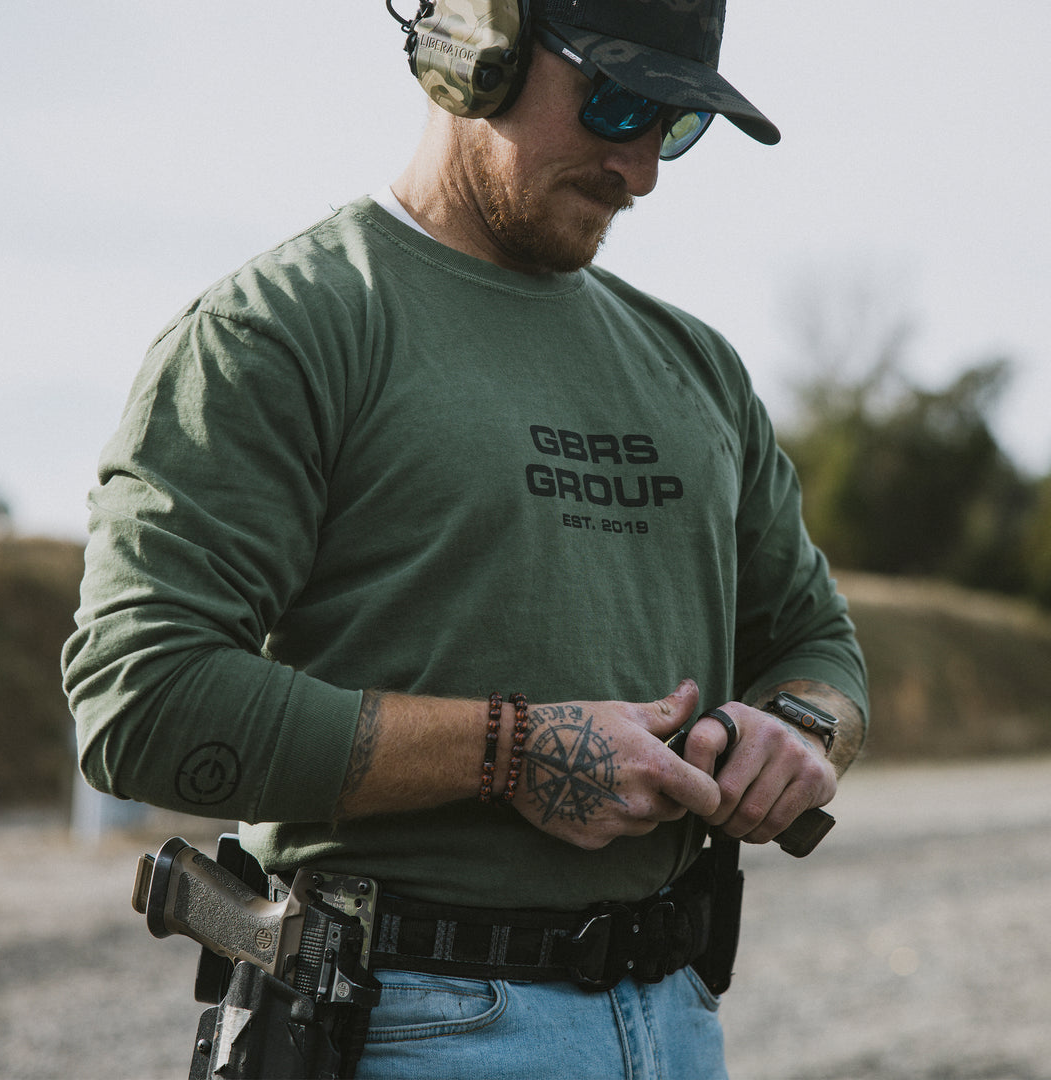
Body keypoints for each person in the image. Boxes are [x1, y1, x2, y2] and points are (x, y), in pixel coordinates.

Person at [62, 1, 868, 1076]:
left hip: (678, 1021)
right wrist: (510, 753)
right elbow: (140, 703)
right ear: (478, 51)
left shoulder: (697, 367)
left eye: (674, 124)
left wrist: (801, 732)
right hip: (401, 1024)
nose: (641, 171)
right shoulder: (279, 331)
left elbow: (817, 641)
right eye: (618, 102)